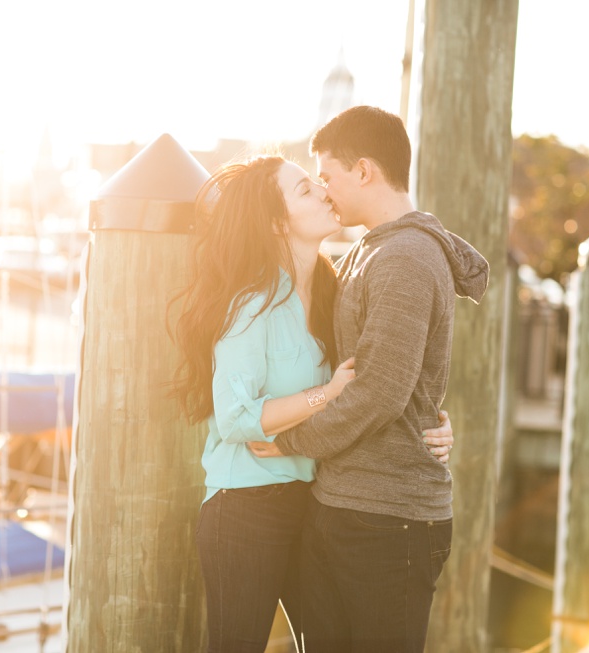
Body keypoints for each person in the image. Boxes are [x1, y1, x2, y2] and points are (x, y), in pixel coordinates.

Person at [170, 154, 455, 653]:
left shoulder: (337, 289)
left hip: (315, 503)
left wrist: (430, 426)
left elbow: (379, 384)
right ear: (278, 221)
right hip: (245, 508)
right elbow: (236, 418)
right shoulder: (250, 301)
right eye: (306, 190)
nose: (325, 193)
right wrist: (324, 394)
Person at [248, 106, 489, 652]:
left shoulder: (403, 257)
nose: (326, 192)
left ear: (363, 171)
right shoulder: (371, 250)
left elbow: (379, 392)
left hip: (389, 522)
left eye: (327, 177)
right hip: (349, 506)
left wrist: (289, 441)